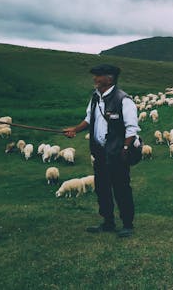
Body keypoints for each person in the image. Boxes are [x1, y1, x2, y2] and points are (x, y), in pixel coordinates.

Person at [63, 64, 140, 238]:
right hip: (99, 152)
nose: (94, 79)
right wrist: (75, 129)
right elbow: (88, 119)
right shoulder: (95, 98)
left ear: (109, 78)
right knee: (102, 188)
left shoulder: (123, 100)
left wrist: (126, 149)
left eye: (98, 76)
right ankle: (108, 222)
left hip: (117, 153)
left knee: (121, 188)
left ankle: (127, 224)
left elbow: (131, 129)